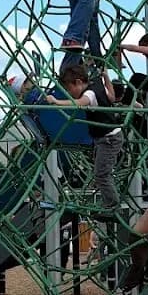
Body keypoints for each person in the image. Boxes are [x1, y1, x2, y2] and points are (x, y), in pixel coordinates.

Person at [44, 63, 125, 211]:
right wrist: (106, 78)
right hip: (107, 137)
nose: (70, 92)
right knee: (101, 172)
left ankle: (113, 205)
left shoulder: (90, 94)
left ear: (79, 82)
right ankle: (110, 202)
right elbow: (112, 98)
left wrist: (56, 102)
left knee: (101, 174)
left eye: (70, 89)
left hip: (109, 139)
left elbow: (78, 103)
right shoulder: (97, 84)